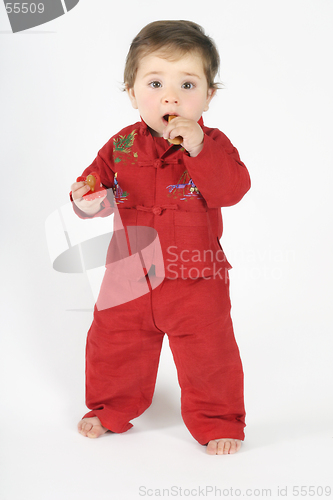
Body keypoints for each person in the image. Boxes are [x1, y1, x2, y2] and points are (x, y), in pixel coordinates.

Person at [70, 20, 251, 455]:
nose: (171, 97)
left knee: (210, 352)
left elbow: (232, 189)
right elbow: (91, 188)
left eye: (187, 84)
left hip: (196, 278)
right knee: (113, 342)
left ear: (209, 95)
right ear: (132, 93)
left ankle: (218, 419)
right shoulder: (122, 145)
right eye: (155, 83)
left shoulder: (214, 143)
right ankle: (111, 406)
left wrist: (199, 150)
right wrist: (87, 201)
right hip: (128, 275)